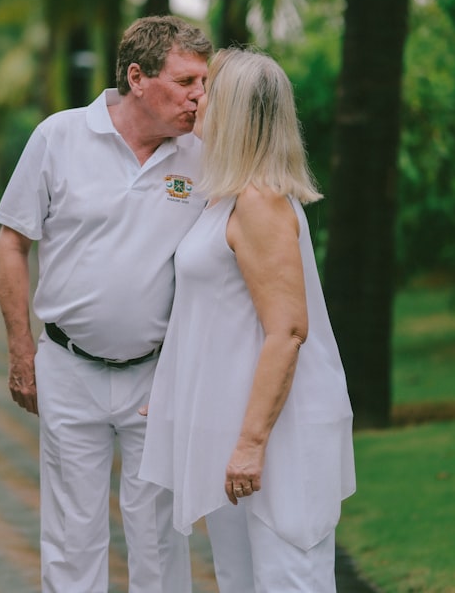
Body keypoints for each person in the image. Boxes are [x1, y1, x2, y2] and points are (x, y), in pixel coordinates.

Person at [0, 15, 212, 592]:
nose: (199, 97)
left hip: (159, 374)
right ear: (137, 78)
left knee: (161, 538)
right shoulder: (59, 136)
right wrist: (22, 353)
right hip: (67, 367)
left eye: (204, 83)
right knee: (72, 536)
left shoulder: (203, 154)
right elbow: (13, 244)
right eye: (187, 82)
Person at [138, 48, 356, 592]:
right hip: (235, 429)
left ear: (234, 109)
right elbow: (219, 317)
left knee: (289, 582)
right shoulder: (226, 199)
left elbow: (288, 331)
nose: (196, 96)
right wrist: (176, 392)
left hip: (276, 436)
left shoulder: (261, 204)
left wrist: (251, 444)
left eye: (207, 87)